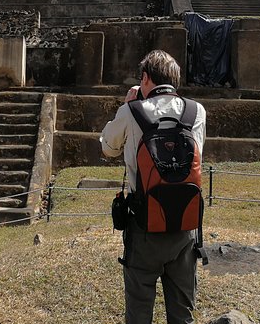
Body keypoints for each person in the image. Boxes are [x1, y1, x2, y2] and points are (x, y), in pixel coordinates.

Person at [100, 50, 206, 324]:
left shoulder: (131, 111)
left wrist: (126, 105)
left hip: (143, 226)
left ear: (145, 78)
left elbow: (108, 148)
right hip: (185, 227)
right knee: (182, 315)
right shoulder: (197, 111)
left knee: (139, 313)